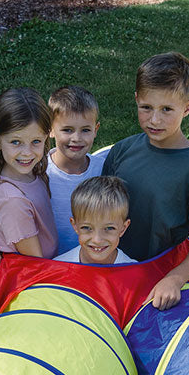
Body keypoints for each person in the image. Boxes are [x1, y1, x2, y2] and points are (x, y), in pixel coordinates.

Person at [102, 51, 189, 309]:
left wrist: (174, 279)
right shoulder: (122, 151)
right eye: (146, 108)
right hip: (109, 269)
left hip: (157, 277)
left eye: (167, 109)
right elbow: (99, 213)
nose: (154, 120)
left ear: (187, 107)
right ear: (136, 100)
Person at [0, 88, 58, 260]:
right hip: (45, 269)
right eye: (16, 142)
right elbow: (35, 261)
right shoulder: (14, 201)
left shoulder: (26, 173)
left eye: (36, 142)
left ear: (46, 137)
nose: (27, 152)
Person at [46, 86, 108, 256]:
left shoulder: (103, 170)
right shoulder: (39, 171)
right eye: (67, 130)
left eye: (85, 130)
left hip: (93, 260)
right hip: (51, 263)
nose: (77, 138)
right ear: (50, 129)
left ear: (95, 130)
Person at [54, 176, 137, 265]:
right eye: (86, 227)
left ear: (123, 228)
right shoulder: (56, 270)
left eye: (109, 228)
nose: (97, 240)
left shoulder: (136, 274)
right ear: (75, 225)